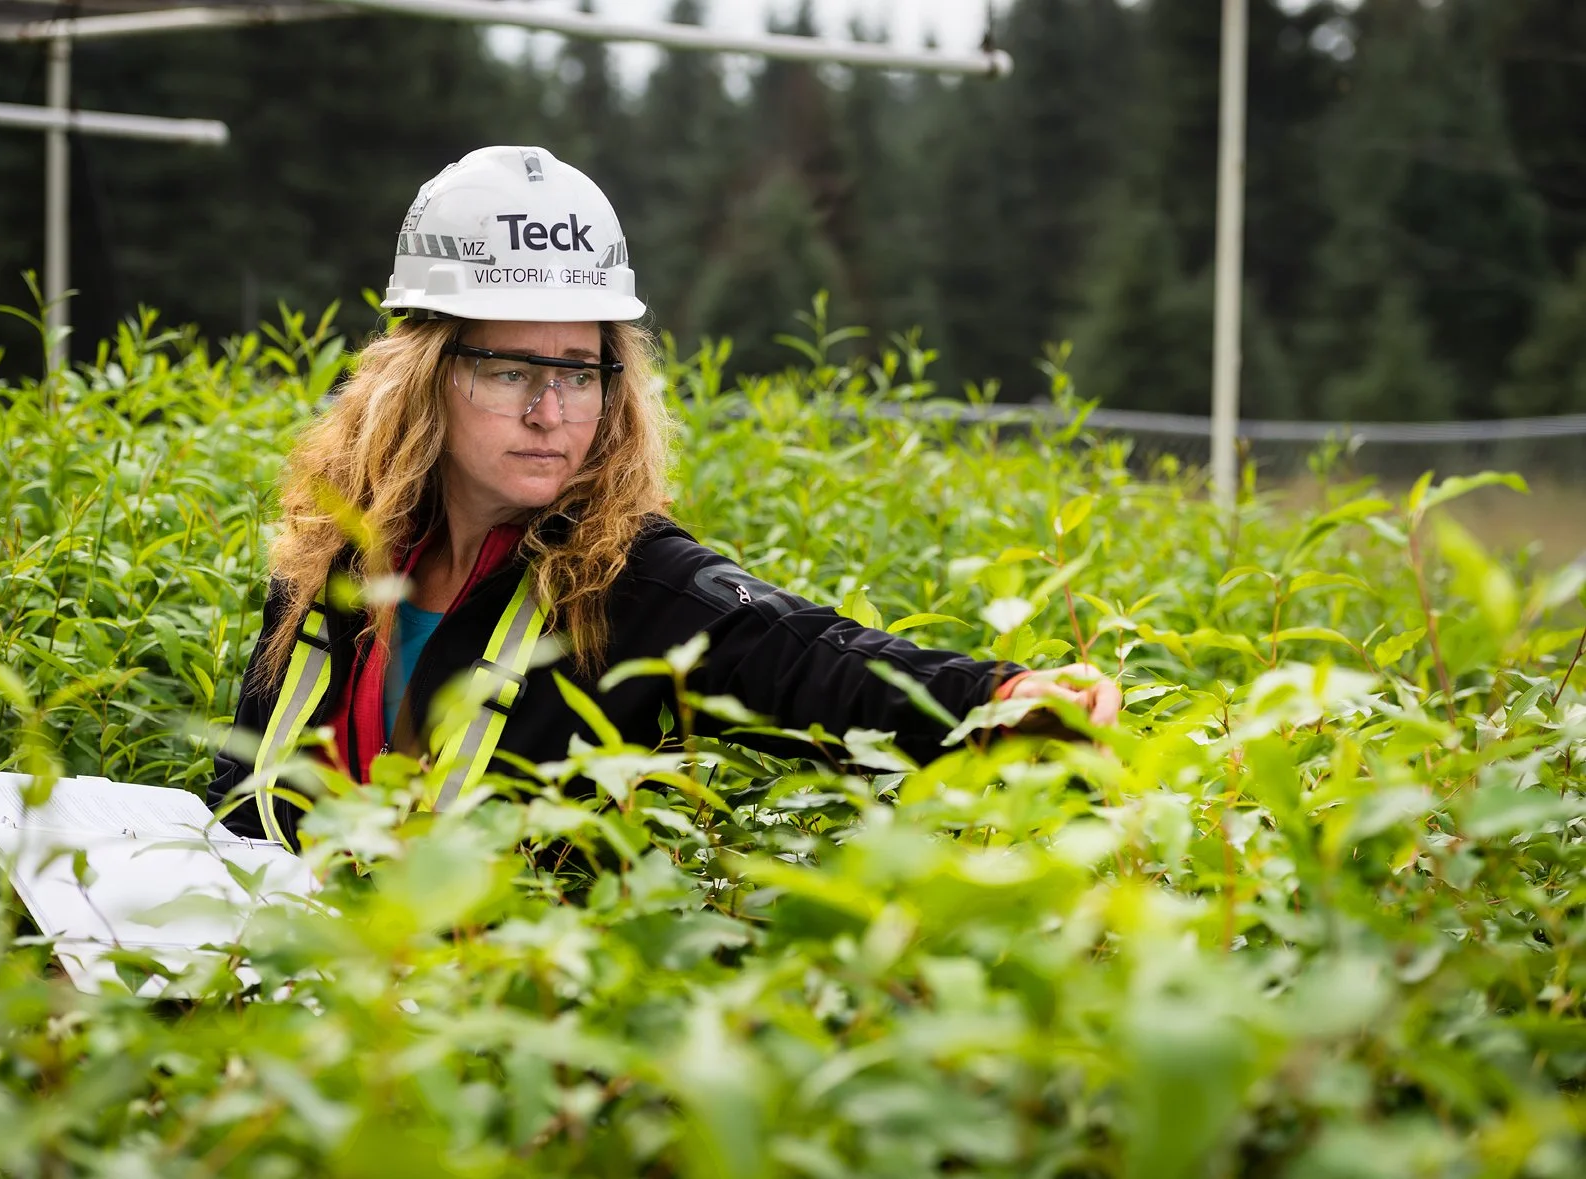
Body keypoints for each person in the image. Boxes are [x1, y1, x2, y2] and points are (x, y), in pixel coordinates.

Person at [210, 145, 1120, 846]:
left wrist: (1006, 698)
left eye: (579, 371)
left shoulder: (624, 582)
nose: (549, 410)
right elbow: (244, 786)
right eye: (507, 368)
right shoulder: (331, 555)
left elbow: (812, 660)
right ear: (423, 376)